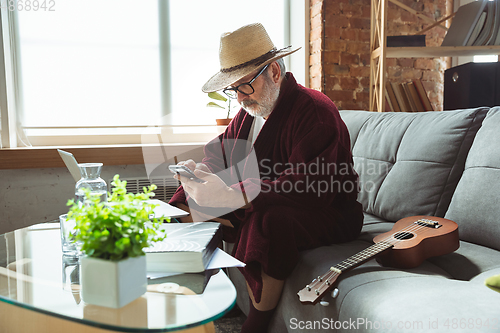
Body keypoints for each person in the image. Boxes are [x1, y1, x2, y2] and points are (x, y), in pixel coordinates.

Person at [169, 23, 363, 332]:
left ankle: (256, 324)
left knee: (270, 219)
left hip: (329, 212)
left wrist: (232, 195)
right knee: (191, 199)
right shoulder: (250, 111)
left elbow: (311, 185)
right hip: (265, 196)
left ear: (274, 72)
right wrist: (201, 176)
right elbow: (219, 152)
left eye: (244, 86)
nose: (239, 98)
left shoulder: (314, 111)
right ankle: (179, 287)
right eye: (232, 89)